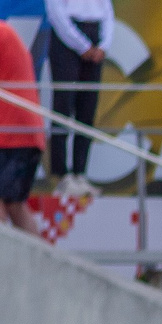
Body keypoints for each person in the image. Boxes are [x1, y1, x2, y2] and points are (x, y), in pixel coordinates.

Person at [43, 0, 112, 196]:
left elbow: (108, 12)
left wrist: (104, 45)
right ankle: (61, 175)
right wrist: (82, 45)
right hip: (67, 37)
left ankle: (80, 173)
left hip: (95, 34)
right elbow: (55, 12)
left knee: (87, 109)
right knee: (63, 107)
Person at [0, 21, 41, 236]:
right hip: (21, 131)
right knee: (15, 204)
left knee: (11, 203)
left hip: (13, 133)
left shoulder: (2, 33)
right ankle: (40, 256)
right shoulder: (6, 32)